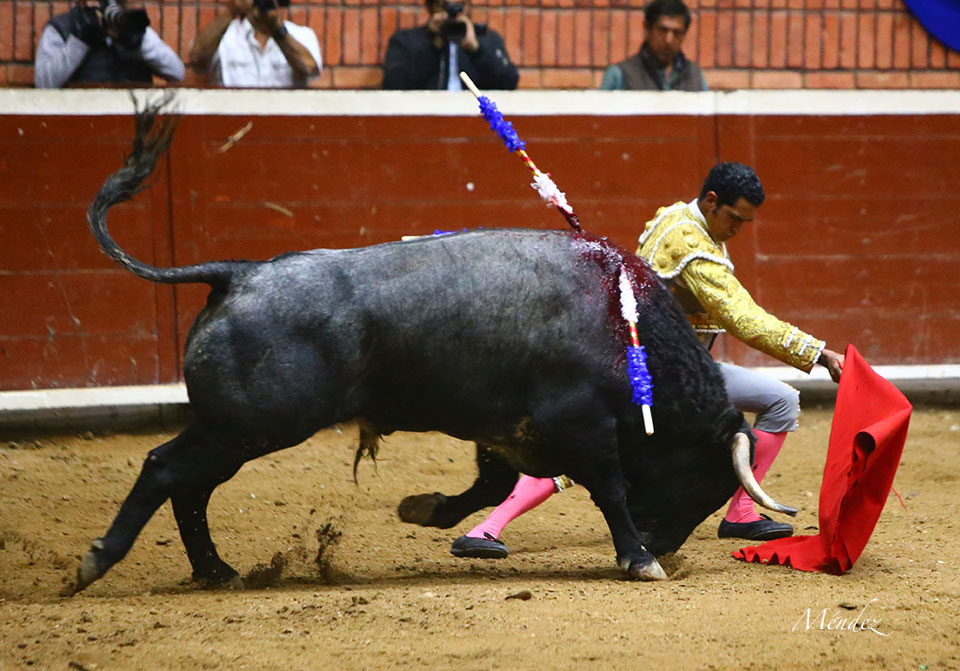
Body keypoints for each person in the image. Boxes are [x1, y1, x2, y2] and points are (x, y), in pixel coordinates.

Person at [450, 162, 845, 559]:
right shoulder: (690, 245)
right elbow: (742, 318)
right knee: (587, 452)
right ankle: (487, 528)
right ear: (711, 201)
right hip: (650, 379)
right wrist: (819, 353)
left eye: (745, 221)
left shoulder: (677, 217)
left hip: (691, 376)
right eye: (735, 218)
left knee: (781, 400)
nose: (738, 229)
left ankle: (741, 513)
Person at [34, 0, 184, 88]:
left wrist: (138, 40)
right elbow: (43, 83)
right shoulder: (62, 27)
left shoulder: (133, 27)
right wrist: (80, 41)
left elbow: (177, 72)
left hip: (132, 119)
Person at [382, 0, 518, 91]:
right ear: (431, 6)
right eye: (444, 5)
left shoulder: (486, 38)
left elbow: (509, 82)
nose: (451, 15)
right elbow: (393, 85)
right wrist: (433, 44)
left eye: (459, 5)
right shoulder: (405, 41)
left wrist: (476, 50)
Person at [190, 0, 321, 88]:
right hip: (235, 118)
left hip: (285, 119)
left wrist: (277, 30)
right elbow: (197, 60)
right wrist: (233, 10)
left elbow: (310, 69)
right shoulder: (226, 35)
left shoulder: (301, 35)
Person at [599, 0, 707, 91]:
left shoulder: (696, 76)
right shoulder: (620, 75)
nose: (668, 40)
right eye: (662, 30)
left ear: (684, 34)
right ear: (647, 28)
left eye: (677, 33)